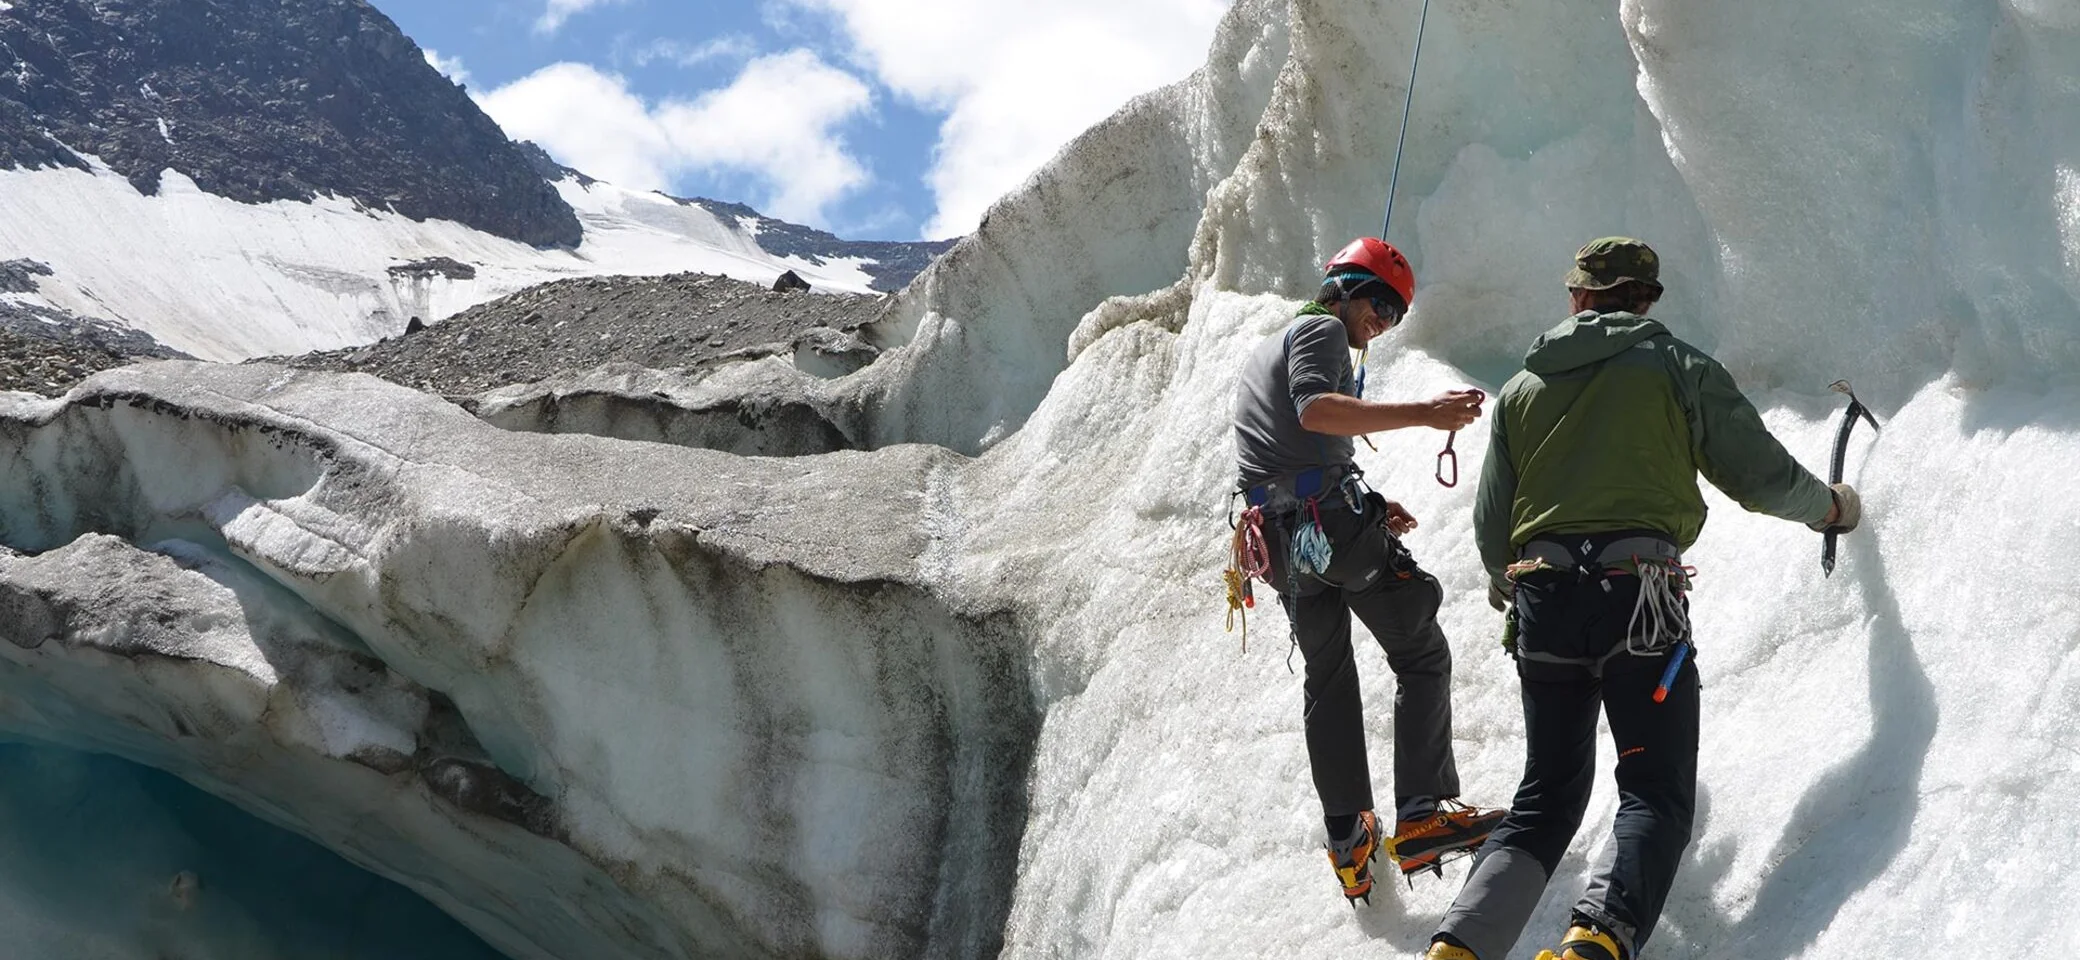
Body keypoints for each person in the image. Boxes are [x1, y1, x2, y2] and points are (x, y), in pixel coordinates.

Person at [1424, 238, 1862, 960]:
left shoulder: (1525, 389)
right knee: (1652, 792)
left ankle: (1459, 949)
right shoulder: (1675, 366)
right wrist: (1830, 510)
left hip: (1544, 601)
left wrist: (1518, 594)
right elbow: (1760, 475)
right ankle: (1594, 942)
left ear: (1576, 299)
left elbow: (1492, 527)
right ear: (1646, 300)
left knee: (1545, 800)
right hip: (1640, 599)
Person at [1232, 237, 1506, 905]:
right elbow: (1315, 411)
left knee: (1328, 680)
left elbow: (1289, 452)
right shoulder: (1321, 327)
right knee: (1420, 649)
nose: (1382, 321)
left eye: (1396, 315)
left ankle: (1349, 839)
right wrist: (1426, 414)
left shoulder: (1262, 353)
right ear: (1344, 286)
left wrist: (1374, 507)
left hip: (1282, 547)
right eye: (1379, 303)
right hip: (1330, 528)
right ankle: (1420, 816)